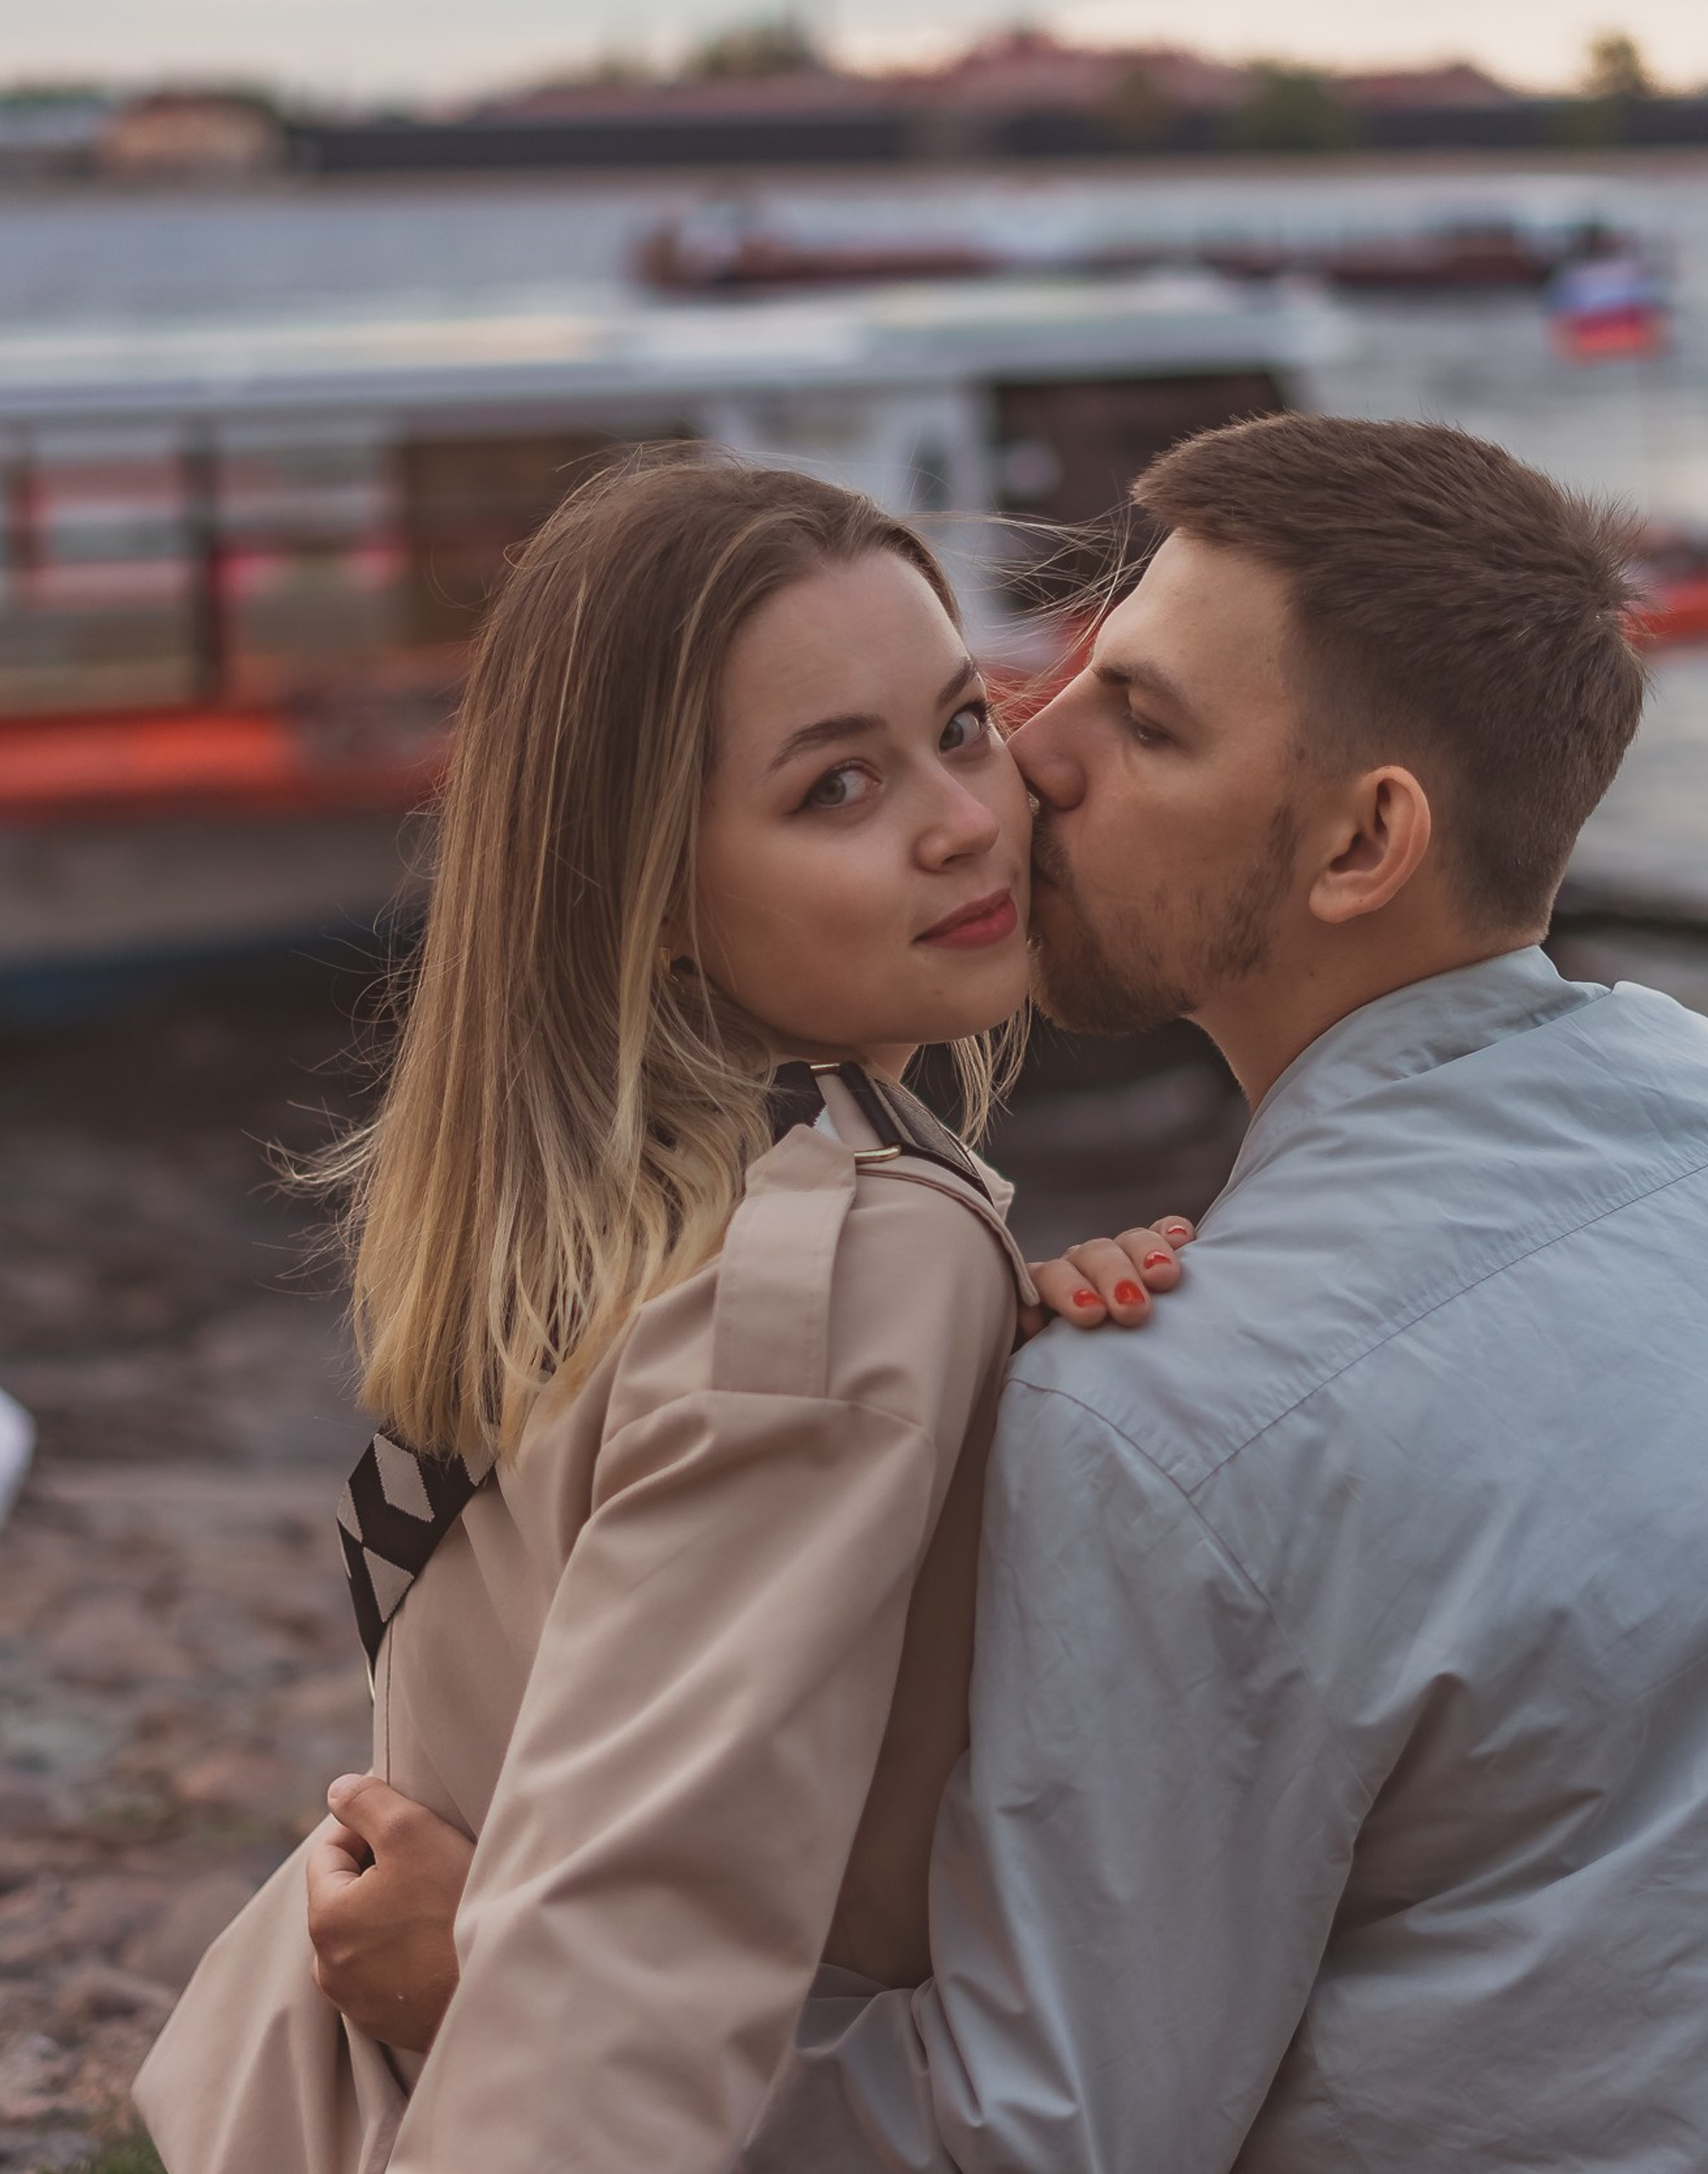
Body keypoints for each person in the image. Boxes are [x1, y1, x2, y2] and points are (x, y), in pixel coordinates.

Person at [317, 416, 1708, 2171]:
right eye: (1067, 675)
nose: (1030, 759)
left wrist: (486, 1994)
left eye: (1145, 719)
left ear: (1362, 844)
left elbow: (1022, 2144)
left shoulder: (1167, 1419)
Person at [129, 453, 1190, 2174]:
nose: (963, 819)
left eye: (961, 725)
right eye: (836, 786)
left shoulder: (630, 1208)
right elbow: (637, 1935)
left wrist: (1013, 1359)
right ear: (653, 894)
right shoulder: (849, 1266)